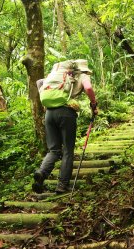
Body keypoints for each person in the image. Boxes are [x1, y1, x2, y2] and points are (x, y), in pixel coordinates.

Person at [33, 59, 98, 194]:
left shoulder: (60, 75)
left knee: (54, 150)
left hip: (49, 113)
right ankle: (62, 186)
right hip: (66, 113)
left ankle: (41, 173)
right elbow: (89, 88)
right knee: (68, 150)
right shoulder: (82, 76)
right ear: (83, 69)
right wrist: (93, 104)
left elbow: (39, 82)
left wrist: (45, 102)